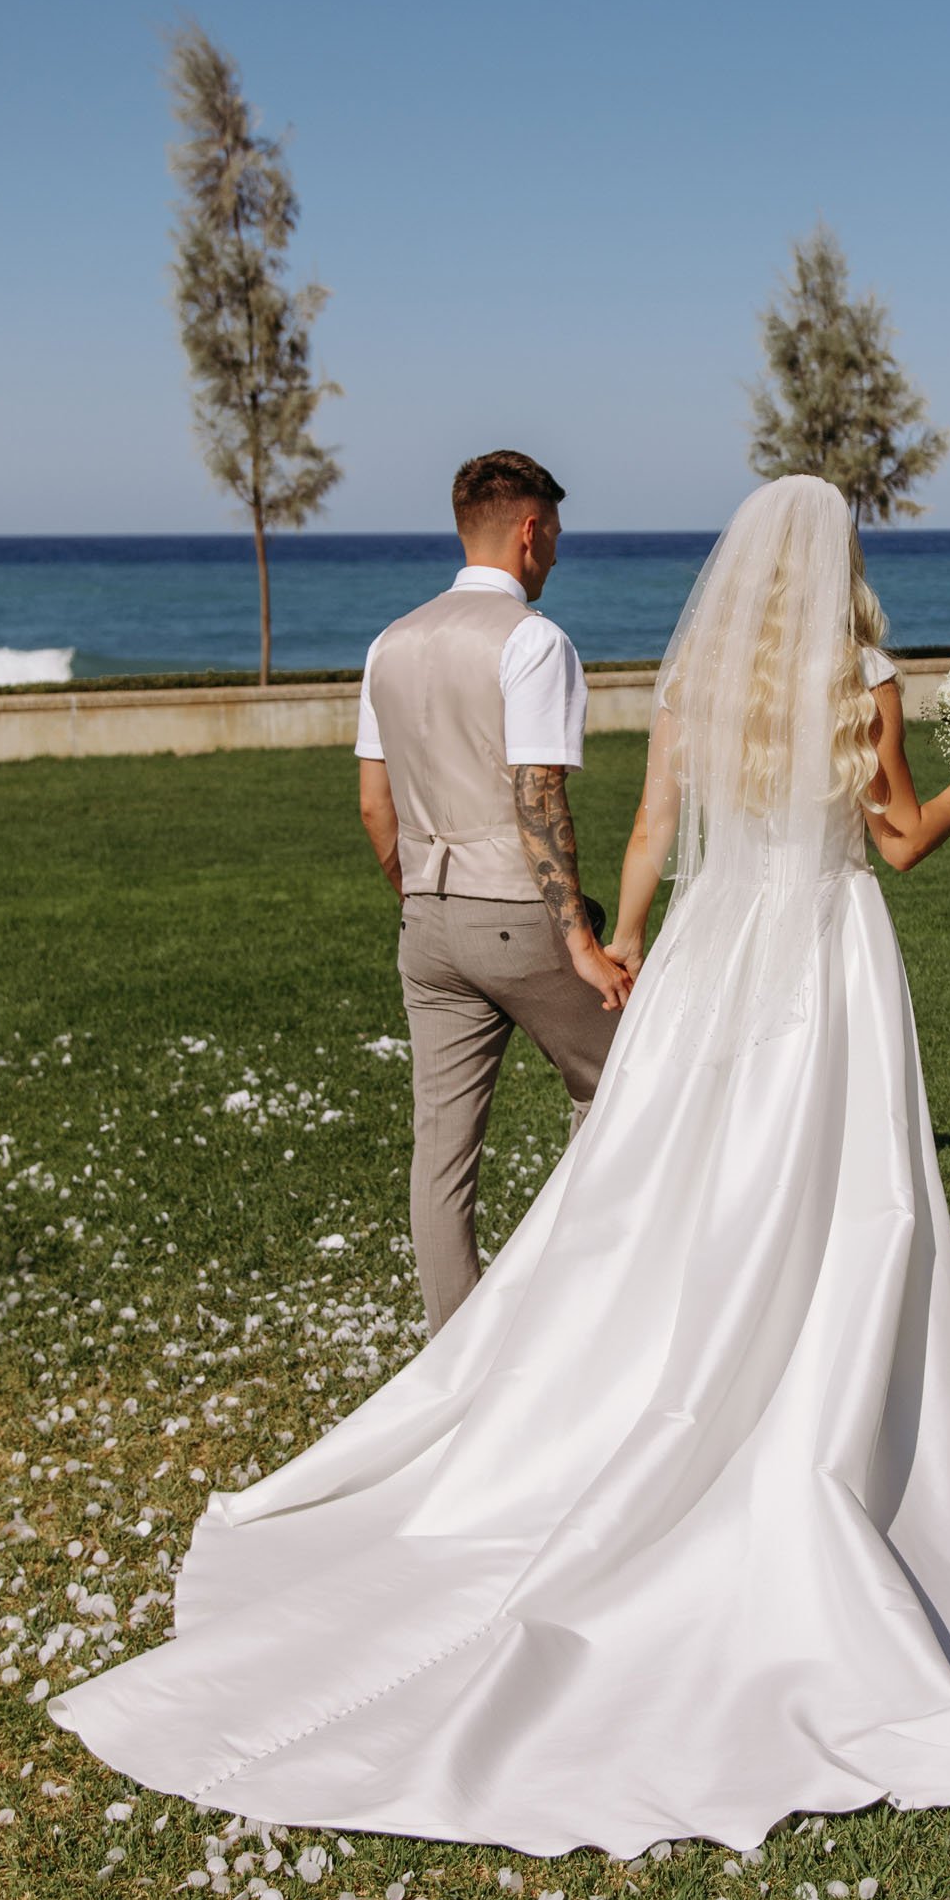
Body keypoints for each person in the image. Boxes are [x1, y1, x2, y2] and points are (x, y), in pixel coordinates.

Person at [50, 477, 950, 1858]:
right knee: (834, 1193)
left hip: (708, 951)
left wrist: (627, 942)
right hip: (821, 956)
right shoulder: (861, 685)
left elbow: (645, 834)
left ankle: (664, 1379)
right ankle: (794, 1403)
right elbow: (895, 846)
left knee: (675, 1190)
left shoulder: (699, 674)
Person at [354, 450, 630, 1333]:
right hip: (517, 917)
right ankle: (584, 1317)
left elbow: (373, 805)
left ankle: (452, 1363)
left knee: (441, 1156)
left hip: (424, 921)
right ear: (529, 529)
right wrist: (581, 943)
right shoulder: (533, 640)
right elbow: (537, 795)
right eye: (553, 535)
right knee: (628, 1087)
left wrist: (419, 897)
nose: (554, 553)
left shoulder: (388, 641)